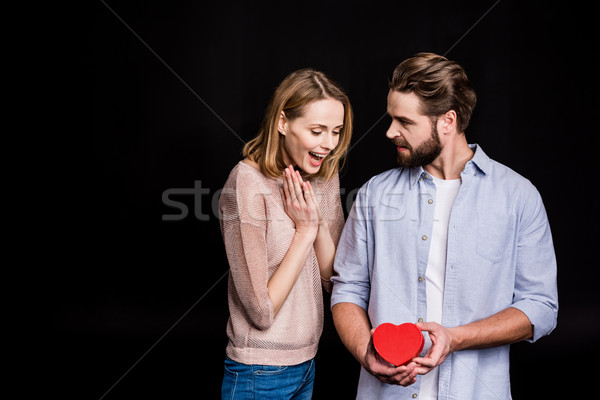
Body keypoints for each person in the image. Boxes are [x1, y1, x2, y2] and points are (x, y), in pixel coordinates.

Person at [331, 52, 558, 399]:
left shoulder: (518, 196)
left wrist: (456, 338)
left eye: (405, 122)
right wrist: (365, 352)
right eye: (391, 119)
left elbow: (540, 306)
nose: (391, 132)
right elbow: (347, 290)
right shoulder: (375, 193)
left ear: (447, 121)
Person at [218, 68, 353, 399]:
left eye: (336, 132)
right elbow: (261, 313)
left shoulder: (323, 177)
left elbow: (334, 279)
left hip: (307, 363)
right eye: (317, 131)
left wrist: (316, 219)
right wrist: (305, 231)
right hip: (258, 372)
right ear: (282, 122)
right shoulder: (245, 184)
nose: (329, 144)